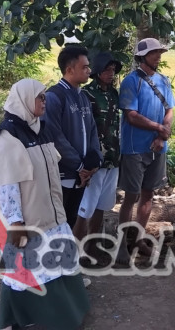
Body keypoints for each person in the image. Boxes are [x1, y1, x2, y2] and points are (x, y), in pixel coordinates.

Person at [0, 79, 90, 330]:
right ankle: (25, 319)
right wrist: (15, 224)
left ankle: (67, 315)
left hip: (51, 216)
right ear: (25, 99)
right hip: (29, 222)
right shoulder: (8, 138)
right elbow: (7, 185)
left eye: (45, 97)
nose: (45, 102)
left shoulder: (40, 128)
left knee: (58, 267)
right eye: (40, 97)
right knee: (29, 272)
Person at [116, 38, 175, 262]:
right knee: (131, 196)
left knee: (149, 193)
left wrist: (162, 135)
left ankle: (139, 239)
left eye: (159, 52)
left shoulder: (164, 81)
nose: (158, 57)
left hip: (158, 147)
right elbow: (131, 116)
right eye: (153, 53)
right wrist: (159, 129)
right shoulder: (131, 82)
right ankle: (121, 244)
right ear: (142, 57)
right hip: (135, 148)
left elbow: (169, 110)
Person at [45, 44, 102, 228]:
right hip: (63, 174)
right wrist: (79, 166)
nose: (89, 71)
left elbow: (92, 130)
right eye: (84, 67)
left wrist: (93, 162)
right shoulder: (54, 96)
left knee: (70, 221)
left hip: (82, 175)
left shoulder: (83, 96)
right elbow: (54, 136)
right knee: (57, 223)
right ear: (69, 70)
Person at [74, 52, 123, 241]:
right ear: (97, 71)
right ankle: (75, 251)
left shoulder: (113, 94)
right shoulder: (86, 94)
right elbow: (82, 128)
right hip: (95, 160)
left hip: (113, 158)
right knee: (85, 208)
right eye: (107, 70)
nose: (111, 73)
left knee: (102, 206)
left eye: (113, 70)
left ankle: (91, 247)